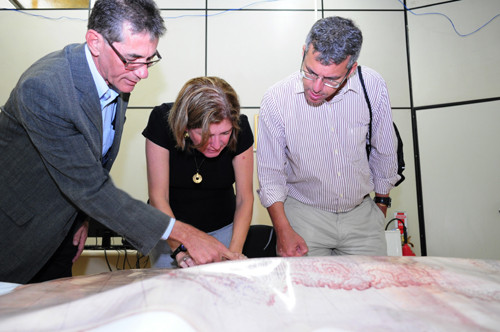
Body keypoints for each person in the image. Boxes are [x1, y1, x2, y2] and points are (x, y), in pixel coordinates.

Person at [0, 0, 239, 285]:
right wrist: (186, 235)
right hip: (17, 232)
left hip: (64, 230)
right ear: (95, 42)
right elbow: (89, 186)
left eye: (149, 59)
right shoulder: (46, 89)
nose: (143, 73)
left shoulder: (116, 75)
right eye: (133, 59)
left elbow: (89, 162)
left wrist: (81, 219)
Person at [256, 16, 401, 258]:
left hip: (362, 217)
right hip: (303, 218)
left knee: (371, 293)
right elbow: (271, 175)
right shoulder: (276, 99)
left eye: (331, 79)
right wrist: (283, 231)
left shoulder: (372, 85)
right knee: (308, 294)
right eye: (310, 72)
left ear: (351, 70)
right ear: (304, 52)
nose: (316, 87)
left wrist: (380, 208)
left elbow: (384, 150)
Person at [143, 76, 254, 268]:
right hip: (171, 230)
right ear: (185, 126)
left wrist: (233, 254)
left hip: (224, 231)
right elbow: (158, 197)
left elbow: (245, 198)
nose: (217, 144)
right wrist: (179, 251)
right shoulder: (161, 122)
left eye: (225, 133)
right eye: (207, 135)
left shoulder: (241, 128)